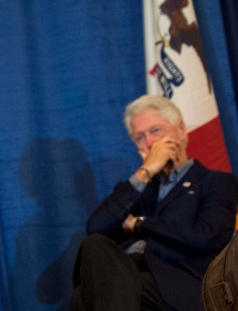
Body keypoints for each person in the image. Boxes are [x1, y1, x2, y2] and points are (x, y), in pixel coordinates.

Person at [71, 95, 238, 311]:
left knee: (93, 294)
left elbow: (207, 236)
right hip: (127, 272)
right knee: (94, 247)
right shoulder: (135, 188)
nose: (149, 143)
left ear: (180, 129)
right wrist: (146, 171)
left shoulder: (214, 181)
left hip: (175, 281)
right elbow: (96, 227)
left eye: (156, 131)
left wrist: (140, 223)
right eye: (140, 137)